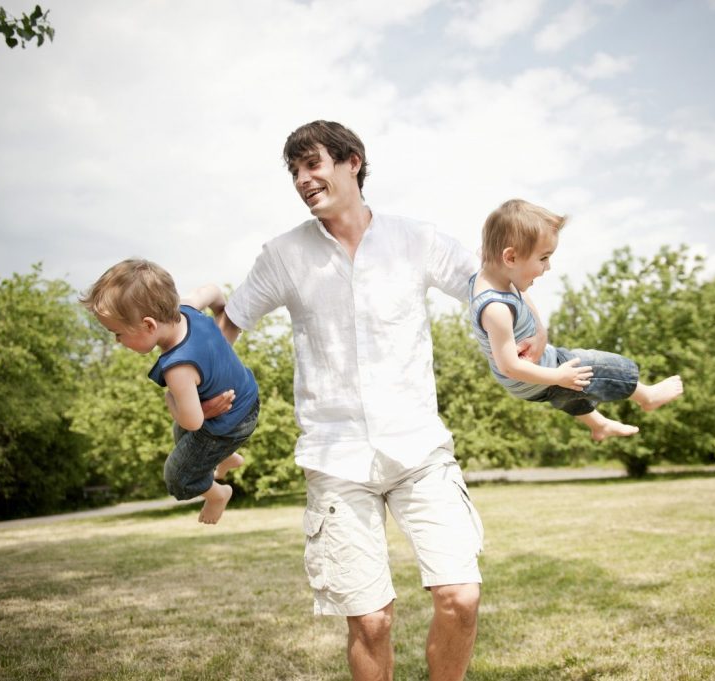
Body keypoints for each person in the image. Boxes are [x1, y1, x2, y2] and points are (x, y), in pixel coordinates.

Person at [205, 121, 545, 681]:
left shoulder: (416, 239)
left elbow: (487, 284)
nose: (302, 179)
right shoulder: (284, 255)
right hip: (335, 458)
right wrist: (205, 387)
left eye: (312, 164)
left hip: (420, 451)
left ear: (352, 163)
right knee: (372, 623)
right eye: (294, 171)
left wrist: (533, 330)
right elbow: (230, 324)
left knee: (460, 596)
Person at [469, 199, 683, 441]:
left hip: (533, 383)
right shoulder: (496, 308)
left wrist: (541, 331)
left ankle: (599, 425)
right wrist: (558, 376)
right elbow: (510, 366)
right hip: (541, 372)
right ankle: (647, 397)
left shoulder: (491, 269)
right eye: (543, 258)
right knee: (594, 367)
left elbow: (520, 291)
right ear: (510, 257)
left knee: (568, 392)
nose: (548, 267)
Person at [81, 258, 259, 524]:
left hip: (230, 424)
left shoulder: (178, 368)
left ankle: (217, 493)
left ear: (149, 325)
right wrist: (221, 315)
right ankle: (225, 456)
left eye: (118, 334)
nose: (117, 342)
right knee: (183, 438)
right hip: (247, 399)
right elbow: (212, 290)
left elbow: (193, 420)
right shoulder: (187, 309)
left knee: (177, 477)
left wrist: (170, 400)